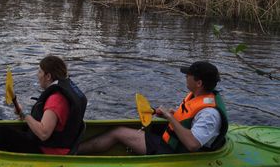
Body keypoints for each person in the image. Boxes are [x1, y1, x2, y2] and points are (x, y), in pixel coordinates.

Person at [78, 61, 228, 155]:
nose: (185, 77)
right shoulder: (198, 95)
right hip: (174, 141)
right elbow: (189, 120)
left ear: (199, 83)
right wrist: (172, 115)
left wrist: (170, 118)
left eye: (188, 75)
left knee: (118, 132)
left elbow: (193, 144)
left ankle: (73, 152)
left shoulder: (209, 114)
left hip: (175, 151)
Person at [0, 55, 87, 155]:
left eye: (40, 71)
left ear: (48, 76)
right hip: (57, 146)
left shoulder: (56, 99)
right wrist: (21, 112)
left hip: (49, 151)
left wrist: (24, 115)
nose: (37, 75)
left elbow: (44, 134)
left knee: (3, 132)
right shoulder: (64, 90)